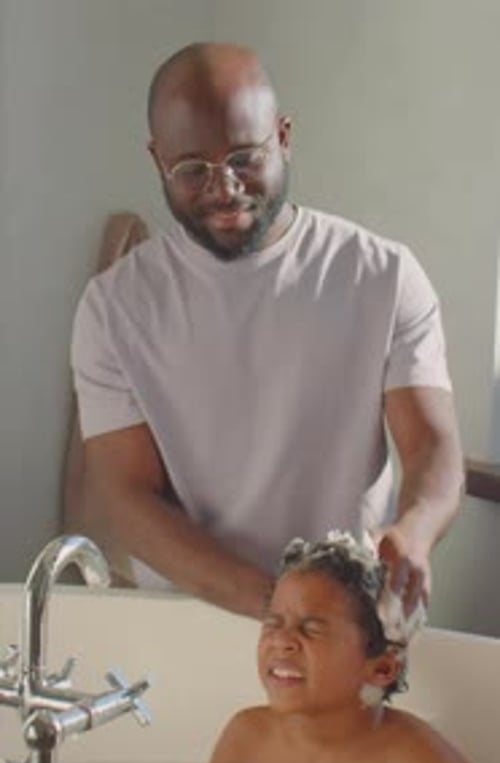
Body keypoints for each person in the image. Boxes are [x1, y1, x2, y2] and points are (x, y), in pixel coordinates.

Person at [70, 41, 464, 618]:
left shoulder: (381, 275)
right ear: (158, 161)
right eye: (192, 169)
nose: (223, 188)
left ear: (282, 136)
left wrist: (416, 531)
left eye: (244, 159)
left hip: (353, 620)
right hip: (190, 618)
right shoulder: (114, 308)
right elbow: (130, 500)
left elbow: (431, 444)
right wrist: (276, 605)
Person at [194, 533, 500, 763]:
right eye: (273, 622)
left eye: (311, 629)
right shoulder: (247, 738)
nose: (281, 641)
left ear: (381, 669)